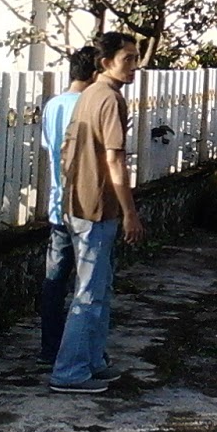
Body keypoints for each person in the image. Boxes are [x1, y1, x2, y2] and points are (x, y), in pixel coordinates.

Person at [48, 31, 145, 394]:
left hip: (78, 203)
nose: (134, 66)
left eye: (136, 58)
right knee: (89, 293)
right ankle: (69, 372)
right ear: (105, 63)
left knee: (98, 289)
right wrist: (130, 213)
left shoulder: (88, 94)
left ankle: (91, 362)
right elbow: (115, 160)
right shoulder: (108, 99)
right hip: (95, 208)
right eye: (128, 59)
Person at [37, 45, 98, 363]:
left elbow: (49, 146)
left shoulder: (52, 105)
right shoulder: (92, 105)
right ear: (96, 72)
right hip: (88, 207)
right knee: (89, 283)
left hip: (58, 204)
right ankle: (80, 351)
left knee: (55, 280)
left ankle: (49, 347)